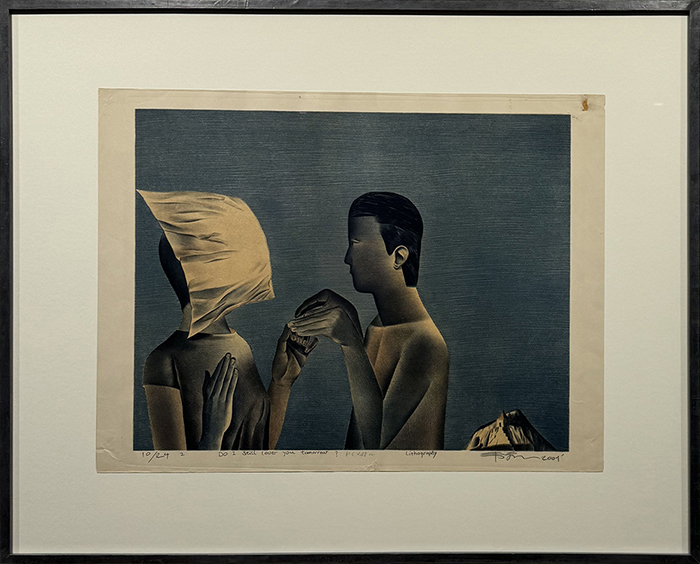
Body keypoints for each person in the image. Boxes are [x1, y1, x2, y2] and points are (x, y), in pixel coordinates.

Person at [281, 192, 449, 450]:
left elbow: (373, 447)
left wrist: (351, 344)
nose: (348, 258)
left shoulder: (425, 344)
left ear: (399, 257)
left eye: (356, 244)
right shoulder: (379, 326)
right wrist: (352, 325)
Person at [139, 191, 275, 451]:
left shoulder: (241, 347)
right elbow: (171, 469)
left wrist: (282, 383)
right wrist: (213, 434)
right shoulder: (163, 361)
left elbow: (262, 449)